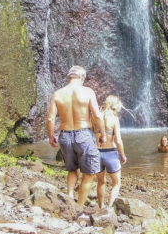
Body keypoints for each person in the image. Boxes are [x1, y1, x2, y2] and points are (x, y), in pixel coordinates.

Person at [46, 65, 103, 206]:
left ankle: (70, 196)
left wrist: (51, 136)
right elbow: (96, 115)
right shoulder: (87, 92)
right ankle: (78, 207)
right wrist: (103, 133)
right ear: (82, 77)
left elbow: (50, 119)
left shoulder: (57, 94)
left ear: (69, 78)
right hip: (83, 134)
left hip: (65, 135)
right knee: (89, 174)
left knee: (72, 169)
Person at [96, 95, 127, 209]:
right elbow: (118, 140)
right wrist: (122, 155)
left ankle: (100, 207)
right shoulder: (114, 119)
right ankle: (108, 208)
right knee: (116, 183)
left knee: (101, 182)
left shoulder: (95, 117)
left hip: (97, 152)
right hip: (110, 153)